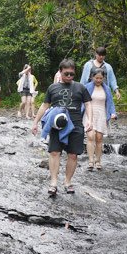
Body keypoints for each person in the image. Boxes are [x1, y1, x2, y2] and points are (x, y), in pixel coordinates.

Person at [32, 59, 93, 196]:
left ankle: (67, 181)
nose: (69, 77)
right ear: (60, 72)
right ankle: (53, 182)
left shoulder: (80, 87)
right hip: (57, 125)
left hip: (76, 124)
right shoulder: (52, 88)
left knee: (72, 154)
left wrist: (90, 120)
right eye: (66, 74)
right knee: (54, 152)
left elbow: (88, 104)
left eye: (72, 74)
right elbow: (45, 105)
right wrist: (35, 122)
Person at [83, 68, 117, 170]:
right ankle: (90, 161)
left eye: (100, 78)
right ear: (92, 77)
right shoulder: (87, 87)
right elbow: (81, 101)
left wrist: (113, 113)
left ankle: (98, 161)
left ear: (103, 78)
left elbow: (110, 102)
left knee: (99, 139)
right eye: (96, 78)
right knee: (90, 136)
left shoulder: (106, 88)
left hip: (101, 114)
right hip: (89, 114)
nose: (98, 80)